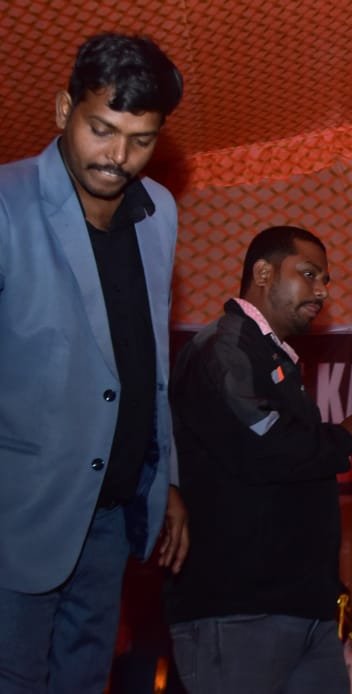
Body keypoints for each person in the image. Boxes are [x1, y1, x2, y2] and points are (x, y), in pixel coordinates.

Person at [0, 33, 186, 692]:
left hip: (111, 515)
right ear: (63, 110)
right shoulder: (7, 203)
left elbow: (148, 357)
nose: (118, 157)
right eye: (101, 130)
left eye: (141, 140)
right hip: (17, 515)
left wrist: (165, 479)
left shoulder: (159, 213)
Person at [166, 225, 352, 693]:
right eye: (309, 274)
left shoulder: (269, 355)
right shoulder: (224, 348)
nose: (322, 291)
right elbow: (265, 446)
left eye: (325, 279)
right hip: (238, 612)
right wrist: (348, 435)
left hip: (304, 612)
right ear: (263, 273)